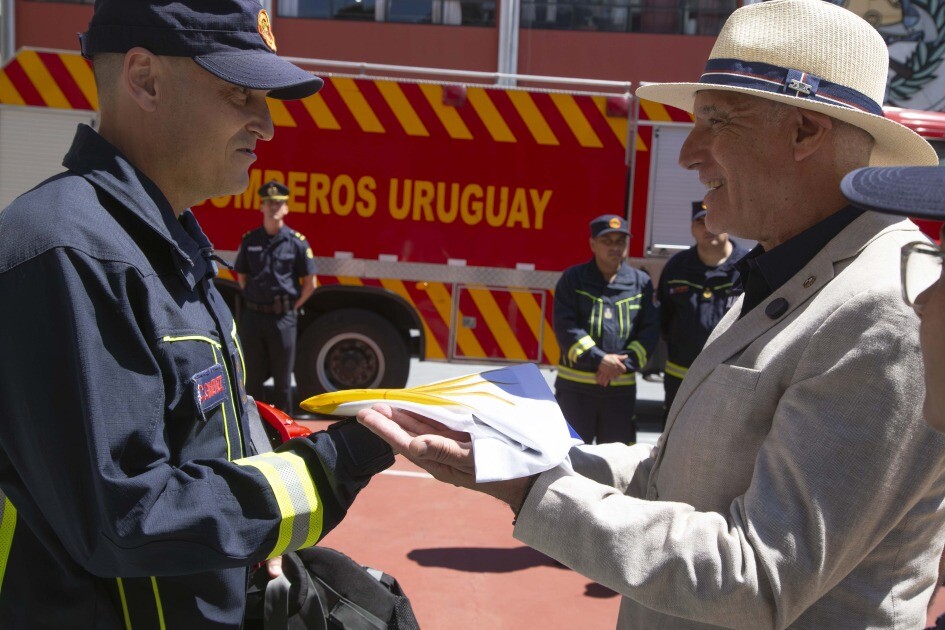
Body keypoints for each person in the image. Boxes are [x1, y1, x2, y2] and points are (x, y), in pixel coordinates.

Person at [356, 1, 945, 627]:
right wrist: (519, 455)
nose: (689, 153)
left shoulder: (890, 310)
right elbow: (681, 472)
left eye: (717, 121)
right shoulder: (798, 266)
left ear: (805, 132)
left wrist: (528, 491)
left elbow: (757, 574)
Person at [0, 1, 393, 628]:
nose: (266, 125)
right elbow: (127, 521)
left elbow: (206, 443)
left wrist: (258, 548)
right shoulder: (67, 255)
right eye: (241, 94)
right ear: (145, 78)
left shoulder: (170, 245)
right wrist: (337, 463)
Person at [552, 214, 659, 445]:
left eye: (620, 241)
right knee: (570, 457)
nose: (615, 247)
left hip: (619, 393)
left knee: (615, 462)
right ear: (592, 244)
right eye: (607, 241)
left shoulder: (640, 283)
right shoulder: (573, 279)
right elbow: (565, 327)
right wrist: (599, 360)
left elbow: (649, 331)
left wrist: (620, 365)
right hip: (576, 390)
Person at [656, 201, 748, 422]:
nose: (708, 226)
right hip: (680, 377)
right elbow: (663, 316)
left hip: (728, 378)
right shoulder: (677, 267)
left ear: (730, 223)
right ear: (692, 228)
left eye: (715, 217)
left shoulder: (748, 267)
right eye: (700, 221)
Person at [235, 180, 317, 413]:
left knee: (282, 382)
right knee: (251, 379)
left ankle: (283, 435)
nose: (274, 207)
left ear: (286, 208)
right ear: (261, 207)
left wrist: (291, 306)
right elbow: (241, 275)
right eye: (269, 203)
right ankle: (252, 429)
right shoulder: (250, 239)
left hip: (283, 319)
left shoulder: (297, 243)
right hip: (253, 317)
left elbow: (311, 283)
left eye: (279, 203)